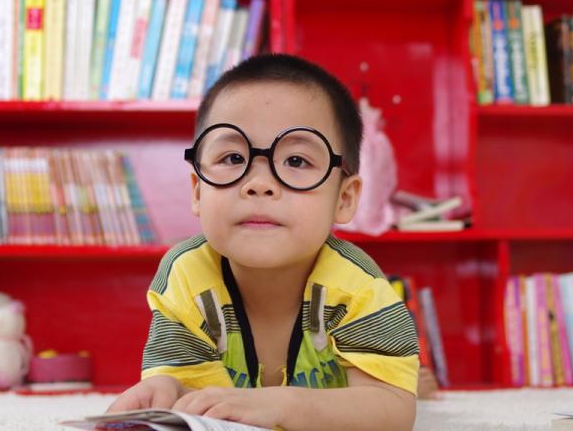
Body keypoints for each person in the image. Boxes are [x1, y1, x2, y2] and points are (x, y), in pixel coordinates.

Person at [108, 54, 419, 430]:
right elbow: (188, 388)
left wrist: (285, 406)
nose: (259, 183)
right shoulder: (185, 276)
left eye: (297, 161)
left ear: (344, 199)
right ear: (197, 191)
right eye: (233, 157)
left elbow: (393, 411)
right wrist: (163, 388)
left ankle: (417, 375)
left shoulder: (358, 287)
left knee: (404, 383)